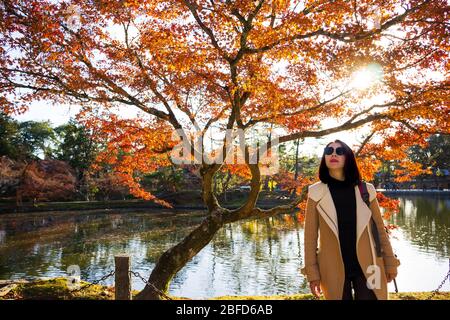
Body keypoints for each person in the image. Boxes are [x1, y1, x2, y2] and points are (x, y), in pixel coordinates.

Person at [300, 140, 400, 300]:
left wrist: (390, 262)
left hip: (369, 265)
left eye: (339, 151)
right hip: (331, 267)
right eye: (329, 150)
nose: (333, 154)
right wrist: (312, 274)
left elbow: (380, 230)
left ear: (348, 158)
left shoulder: (366, 190)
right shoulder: (315, 192)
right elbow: (310, 238)